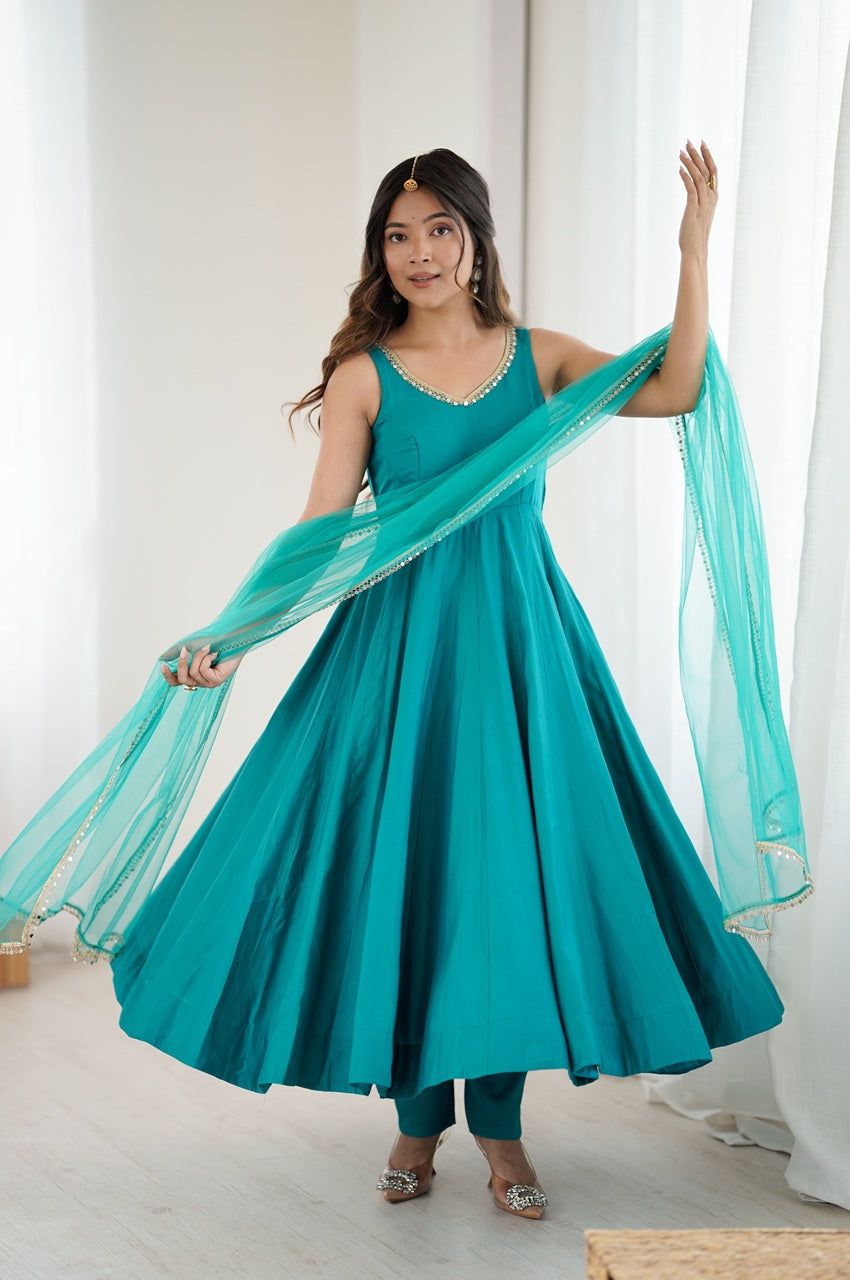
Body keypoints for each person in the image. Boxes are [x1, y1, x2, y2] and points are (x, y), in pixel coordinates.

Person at [103, 143, 788, 1222]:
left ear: (474, 239)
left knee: (506, 890)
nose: (418, 251)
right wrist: (232, 632)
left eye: (437, 229)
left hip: (523, 658)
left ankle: (501, 1131)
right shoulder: (363, 376)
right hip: (397, 664)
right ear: (379, 252)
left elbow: (679, 385)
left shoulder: (538, 357)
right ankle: (418, 1124)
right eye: (396, 233)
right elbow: (320, 533)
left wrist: (692, 252)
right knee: (409, 885)